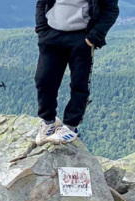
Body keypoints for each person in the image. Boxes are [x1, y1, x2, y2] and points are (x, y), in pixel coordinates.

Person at [34, 0, 119, 145]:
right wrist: (42, 29)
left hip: (81, 37)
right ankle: (49, 122)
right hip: (51, 35)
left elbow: (111, 10)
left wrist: (93, 37)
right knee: (43, 80)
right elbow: (41, 2)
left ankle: (70, 127)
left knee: (79, 84)